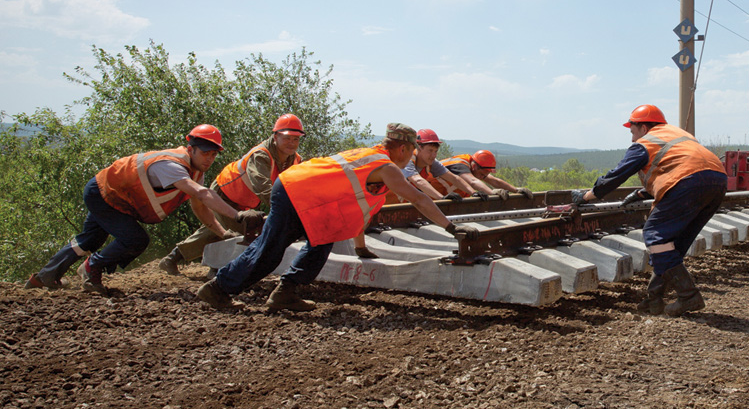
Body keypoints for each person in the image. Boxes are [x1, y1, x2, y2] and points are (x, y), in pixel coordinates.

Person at [196, 124, 462, 313]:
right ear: (403, 148)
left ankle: (286, 292)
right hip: (294, 192)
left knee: (323, 240)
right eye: (412, 151)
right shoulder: (386, 166)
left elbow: (359, 208)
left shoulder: (370, 153)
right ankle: (218, 289)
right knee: (270, 250)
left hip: (308, 198)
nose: (411, 158)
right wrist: (451, 228)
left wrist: (360, 247)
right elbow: (419, 198)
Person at [25, 125, 260, 294]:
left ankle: (45, 276)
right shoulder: (173, 166)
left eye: (213, 154)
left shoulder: (194, 168)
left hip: (110, 193)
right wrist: (238, 216)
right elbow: (201, 194)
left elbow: (199, 206)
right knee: (135, 240)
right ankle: (91, 267)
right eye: (205, 153)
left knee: (89, 239)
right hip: (105, 193)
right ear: (191, 148)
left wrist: (222, 233)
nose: (209, 159)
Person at [571, 104, 727, 317]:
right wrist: (643, 193)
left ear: (643, 128)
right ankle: (655, 299)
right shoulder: (678, 134)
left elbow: (616, 175)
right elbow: (678, 166)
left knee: (656, 237)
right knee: (671, 246)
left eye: (633, 131)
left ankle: (689, 297)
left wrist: (587, 196)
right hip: (717, 180)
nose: (632, 138)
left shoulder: (645, 142)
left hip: (689, 182)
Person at [159, 114, 305, 275]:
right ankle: (216, 269)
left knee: (216, 229)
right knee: (242, 230)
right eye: (287, 138)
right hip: (225, 193)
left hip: (246, 200)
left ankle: (176, 259)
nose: (291, 143)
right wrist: (289, 212)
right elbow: (263, 188)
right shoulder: (261, 155)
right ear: (276, 136)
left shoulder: (296, 160)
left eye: (296, 139)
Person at [404, 129, 477, 201]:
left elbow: (453, 178)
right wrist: (441, 198)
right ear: (419, 148)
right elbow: (417, 180)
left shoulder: (432, 162)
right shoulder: (407, 159)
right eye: (430, 150)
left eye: (435, 151)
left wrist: (473, 193)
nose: (433, 155)